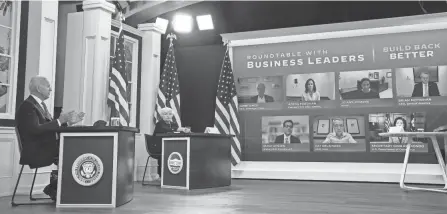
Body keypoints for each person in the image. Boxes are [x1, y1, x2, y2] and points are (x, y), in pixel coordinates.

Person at [15, 76, 84, 201]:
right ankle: (55, 188)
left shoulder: (39, 105)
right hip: (36, 150)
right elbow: (35, 130)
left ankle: (58, 188)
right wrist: (59, 121)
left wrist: (68, 123)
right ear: (38, 88)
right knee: (73, 152)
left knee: (74, 149)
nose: (51, 89)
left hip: (44, 147)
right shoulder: (28, 106)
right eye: (48, 86)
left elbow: (49, 127)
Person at [153, 107, 191, 181]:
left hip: (171, 145)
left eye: (170, 114)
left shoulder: (173, 124)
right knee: (165, 152)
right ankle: (161, 175)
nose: (168, 116)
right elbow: (166, 130)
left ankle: (175, 174)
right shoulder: (159, 124)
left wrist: (184, 130)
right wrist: (178, 129)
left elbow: (177, 131)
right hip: (158, 146)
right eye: (165, 114)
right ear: (162, 116)